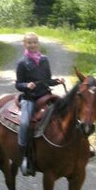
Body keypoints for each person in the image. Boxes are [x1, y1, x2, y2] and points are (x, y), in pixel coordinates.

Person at [15, 32, 64, 176]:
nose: (32, 45)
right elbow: (18, 84)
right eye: (29, 42)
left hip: (45, 96)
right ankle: (24, 154)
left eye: (34, 42)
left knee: (65, 111)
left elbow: (47, 80)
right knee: (24, 123)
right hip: (30, 98)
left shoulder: (44, 60)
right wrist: (26, 85)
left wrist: (57, 81)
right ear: (24, 44)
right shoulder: (22, 63)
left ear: (38, 44)